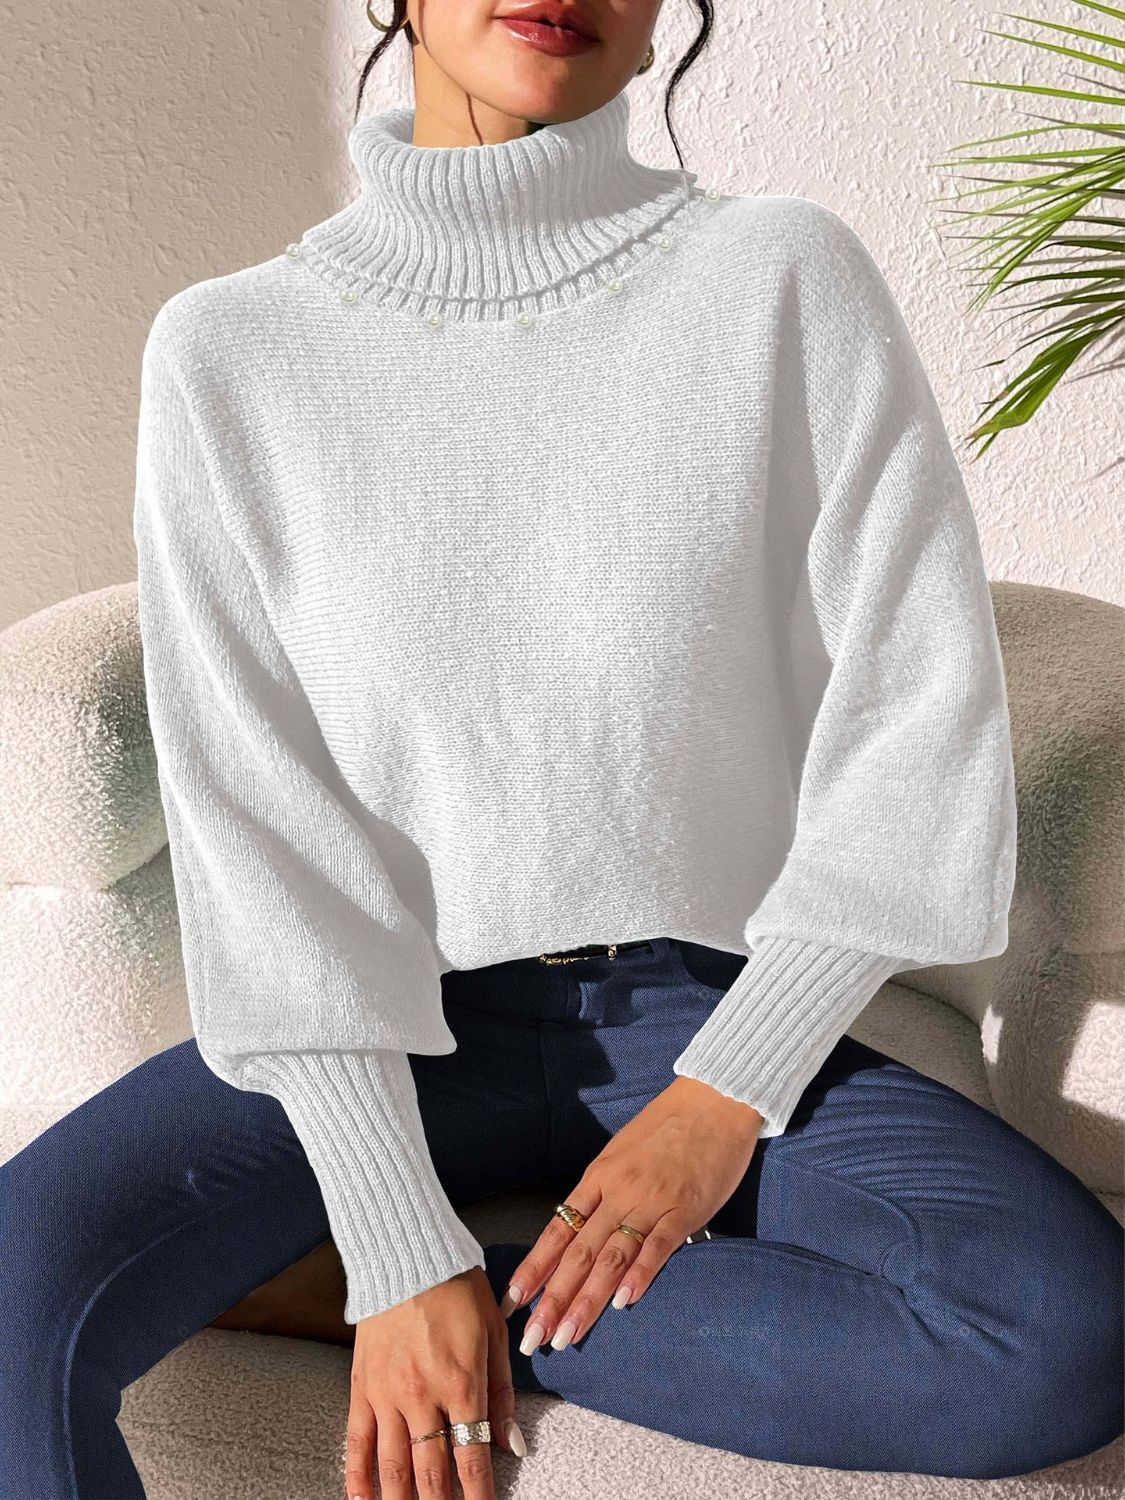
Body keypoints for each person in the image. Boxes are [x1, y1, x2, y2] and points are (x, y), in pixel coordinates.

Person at [3, 2, 1123, 1497]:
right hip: (389, 1020)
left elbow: (918, 714)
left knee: (1060, 1340)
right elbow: (255, 813)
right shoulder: (235, 350)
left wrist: (723, 1095)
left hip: (700, 1001)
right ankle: (391, 1275)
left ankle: (411, 1289)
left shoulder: (780, 278)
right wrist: (393, 1243)